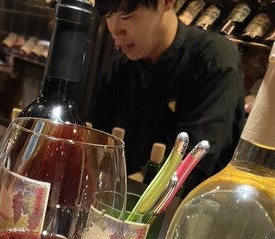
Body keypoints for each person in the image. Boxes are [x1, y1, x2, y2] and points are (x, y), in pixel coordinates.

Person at [90, 0, 246, 190]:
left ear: (166, 3)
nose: (115, 31)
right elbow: (95, 144)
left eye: (127, 16)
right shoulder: (121, 69)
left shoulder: (214, 61)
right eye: (108, 16)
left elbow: (192, 164)